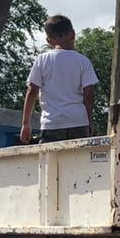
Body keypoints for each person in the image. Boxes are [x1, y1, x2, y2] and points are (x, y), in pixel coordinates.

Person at [21, 15, 98, 143]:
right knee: (78, 161)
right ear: (73, 34)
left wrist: (25, 124)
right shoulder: (83, 61)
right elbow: (89, 94)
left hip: (52, 122)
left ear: (48, 40)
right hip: (78, 121)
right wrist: (88, 120)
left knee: (51, 161)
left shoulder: (42, 60)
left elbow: (32, 91)